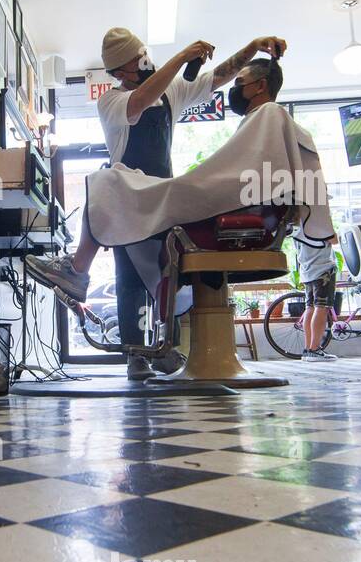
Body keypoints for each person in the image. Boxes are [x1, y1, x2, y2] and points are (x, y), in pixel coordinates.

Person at [28, 29, 287, 380]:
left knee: (168, 273)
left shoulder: (170, 92)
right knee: (129, 276)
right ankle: (136, 355)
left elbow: (220, 76)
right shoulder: (111, 101)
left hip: (162, 198)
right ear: (120, 73)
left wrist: (252, 47)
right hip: (129, 199)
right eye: (138, 61)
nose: (146, 62)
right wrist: (180, 58)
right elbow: (139, 103)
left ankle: (165, 349)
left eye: (144, 55)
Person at [295, 231, 339, 363]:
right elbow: (334, 239)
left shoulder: (296, 221)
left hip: (306, 269)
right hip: (323, 268)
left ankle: (308, 349)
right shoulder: (318, 218)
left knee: (310, 307)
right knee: (322, 307)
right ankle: (314, 350)